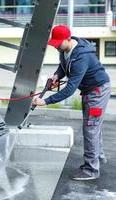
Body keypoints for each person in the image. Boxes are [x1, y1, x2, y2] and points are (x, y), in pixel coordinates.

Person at [33, 25, 111, 181]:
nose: (55, 46)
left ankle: (91, 170)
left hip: (97, 92)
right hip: (90, 90)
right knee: (94, 126)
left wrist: (46, 101)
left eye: (58, 43)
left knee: (90, 128)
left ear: (68, 39)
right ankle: (99, 158)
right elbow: (64, 65)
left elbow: (69, 90)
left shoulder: (81, 57)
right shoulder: (65, 49)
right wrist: (57, 75)